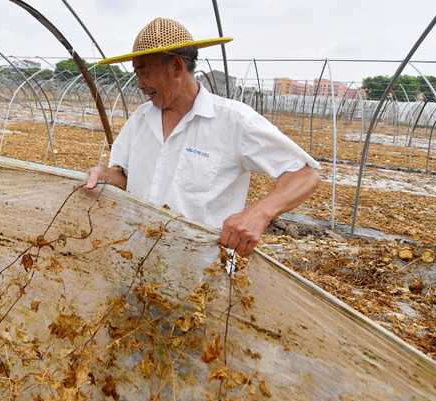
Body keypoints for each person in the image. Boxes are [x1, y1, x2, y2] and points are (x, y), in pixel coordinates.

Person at [85, 18, 320, 255]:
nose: (139, 84)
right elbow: (123, 174)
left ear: (176, 66)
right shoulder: (141, 118)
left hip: (200, 276)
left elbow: (305, 174)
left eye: (144, 73)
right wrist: (104, 177)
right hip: (133, 258)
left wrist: (258, 213)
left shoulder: (234, 121)